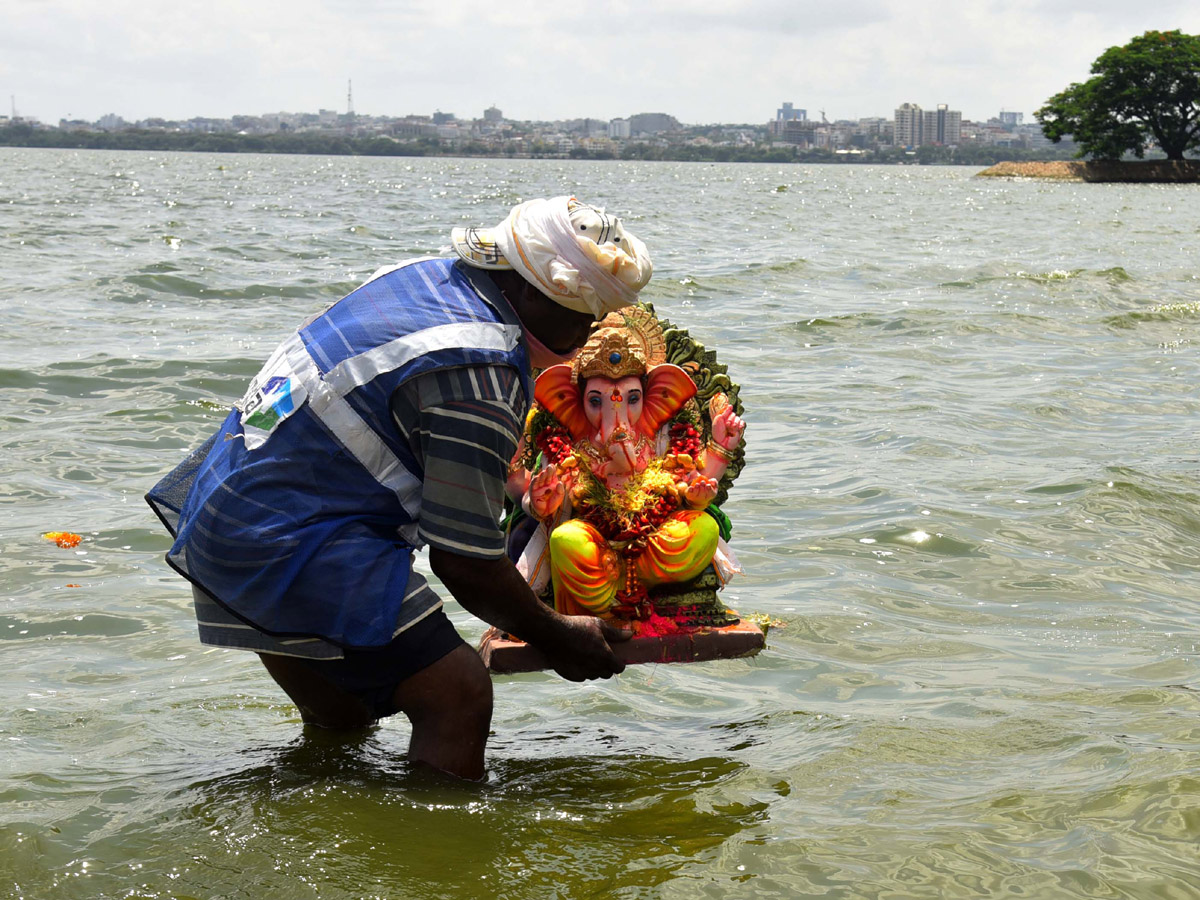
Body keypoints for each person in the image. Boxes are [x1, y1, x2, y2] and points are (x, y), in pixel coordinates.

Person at [146, 196, 654, 779]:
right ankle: (440, 854)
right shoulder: (479, 372)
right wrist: (558, 634)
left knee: (341, 717)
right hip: (288, 536)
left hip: (226, 505)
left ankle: (321, 817)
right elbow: (464, 562)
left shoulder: (426, 277)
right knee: (457, 693)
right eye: (584, 315)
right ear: (535, 294)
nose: (588, 334)